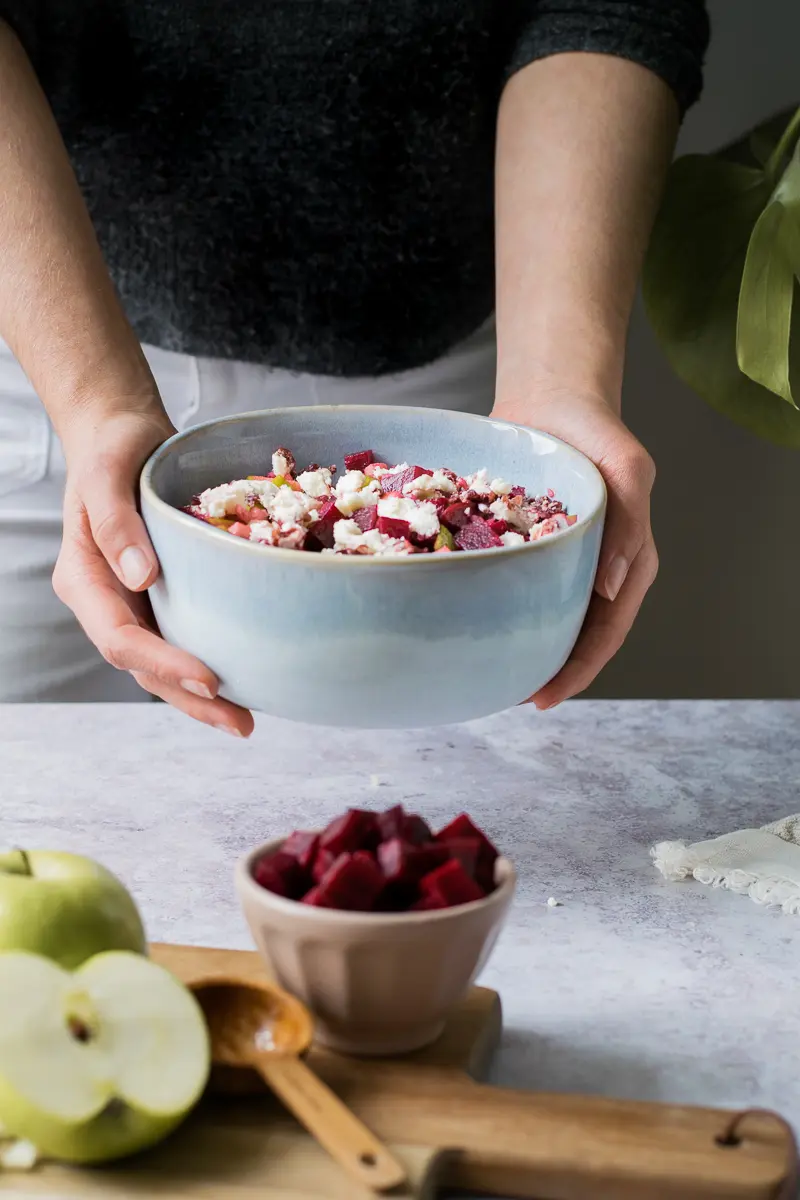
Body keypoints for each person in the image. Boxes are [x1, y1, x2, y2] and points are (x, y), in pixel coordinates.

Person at [0, 2, 709, 737]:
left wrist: (559, 385)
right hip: (54, 358)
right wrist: (93, 403)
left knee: (424, 813)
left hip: (446, 401)